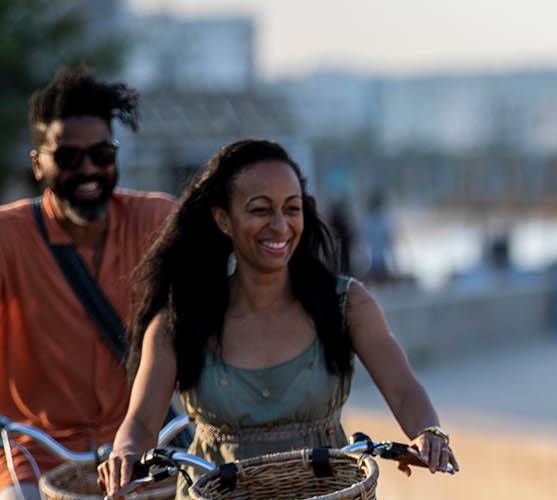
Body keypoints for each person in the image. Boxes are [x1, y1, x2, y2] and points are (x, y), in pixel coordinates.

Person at [98, 140, 457, 496]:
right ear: (223, 219)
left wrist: (428, 432)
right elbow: (143, 421)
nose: (280, 225)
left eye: (292, 208)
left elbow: (403, 388)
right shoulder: (179, 320)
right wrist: (125, 454)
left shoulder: (347, 304)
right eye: (260, 210)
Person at [0, 67, 176, 500]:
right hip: (35, 452)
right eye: (68, 158)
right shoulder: (8, 236)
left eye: (102, 154)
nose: (89, 170)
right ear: (38, 163)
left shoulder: (157, 221)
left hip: (141, 452)